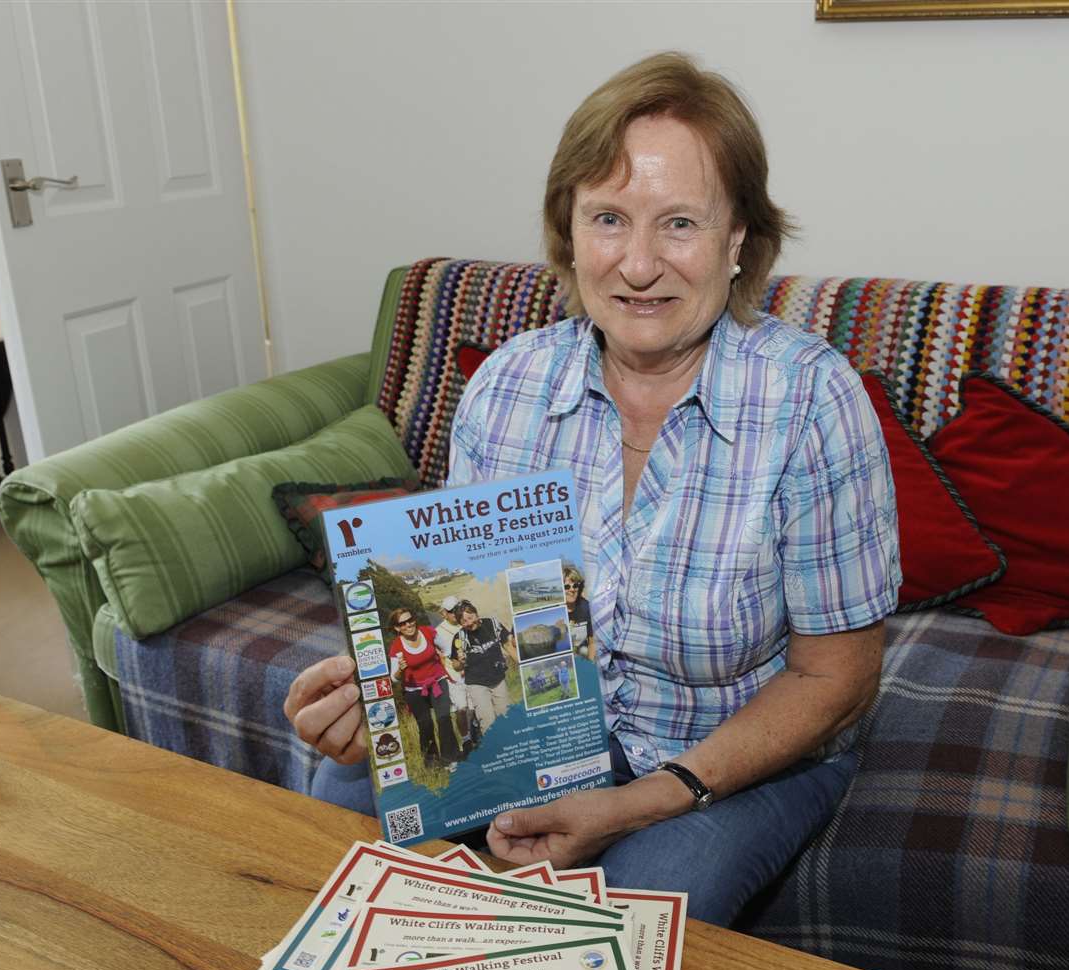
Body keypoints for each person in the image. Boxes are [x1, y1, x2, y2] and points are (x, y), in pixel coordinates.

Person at [285, 51, 899, 925]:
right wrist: (383, 688)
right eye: (608, 218)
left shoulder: (809, 400)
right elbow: (468, 618)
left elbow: (835, 677)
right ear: (567, 235)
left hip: (729, 754)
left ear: (737, 243)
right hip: (532, 727)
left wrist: (644, 798)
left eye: (678, 223)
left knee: (628, 924)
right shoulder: (506, 385)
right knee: (340, 832)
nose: (638, 264)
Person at [386, 607, 456, 767]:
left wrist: (444, 660)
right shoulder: (396, 647)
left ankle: (450, 759)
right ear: (397, 627)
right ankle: (433, 764)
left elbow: (446, 649)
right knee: (425, 725)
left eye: (410, 620)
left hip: (438, 681)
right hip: (414, 690)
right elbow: (394, 679)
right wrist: (400, 671)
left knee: (444, 719)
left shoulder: (428, 632)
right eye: (403, 623)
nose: (408, 625)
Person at [448, 599, 517, 741]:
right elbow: (455, 666)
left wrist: (522, 663)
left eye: (470, 617)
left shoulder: (492, 624)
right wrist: (460, 662)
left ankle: (510, 746)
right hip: (476, 683)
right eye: (464, 621)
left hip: (498, 679)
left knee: (505, 715)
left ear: (476, 613)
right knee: (487, 720)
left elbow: (508, 646)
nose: (469, 623)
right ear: (460, 623)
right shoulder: (460, 637)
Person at [435, 594, 471, 752]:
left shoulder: (467, 622)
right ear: (444, 613)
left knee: (474, 709)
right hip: (454, 678)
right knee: (461, 710)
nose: (456, 613)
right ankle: (466, 741)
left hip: (473, 673)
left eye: (458, 609)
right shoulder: (437, 632)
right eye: (452, 611)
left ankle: (477, 736)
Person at [562, 566, 594, 662]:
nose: (572, 590)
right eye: (567, 587)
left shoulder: (586, 607)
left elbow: (592, 642)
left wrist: (590, 664)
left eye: (575, 586)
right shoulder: (552, 611)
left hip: (582, 660)